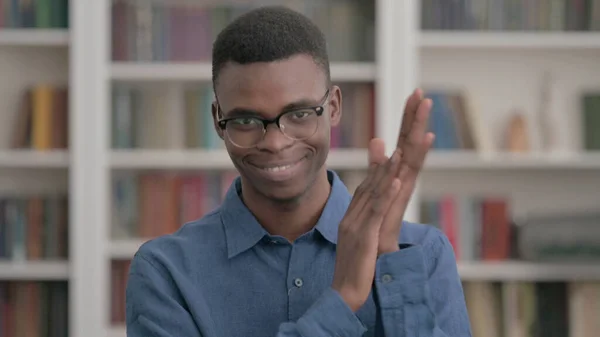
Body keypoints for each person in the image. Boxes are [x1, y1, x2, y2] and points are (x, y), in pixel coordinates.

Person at [125, 5, 472, 337]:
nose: (275, 143)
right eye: (246, 120)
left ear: (333, 107)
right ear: (218, 120)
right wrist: (344, 297)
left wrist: (391, 266)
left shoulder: (422, 253)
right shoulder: (165, 272)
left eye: (300, 114)